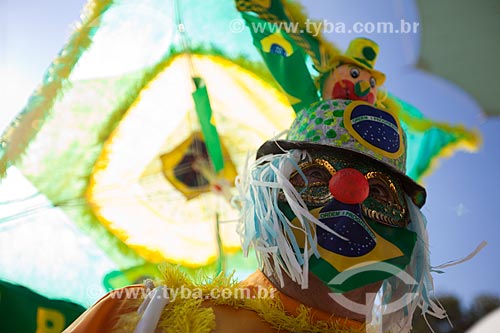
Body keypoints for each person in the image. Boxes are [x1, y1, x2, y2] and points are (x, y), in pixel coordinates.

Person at [64, 38, 444, 333]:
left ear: (410, 226)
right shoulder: (141, 315)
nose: (351, 192)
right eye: (315, 176)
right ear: (269, 194)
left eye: (380, 193)